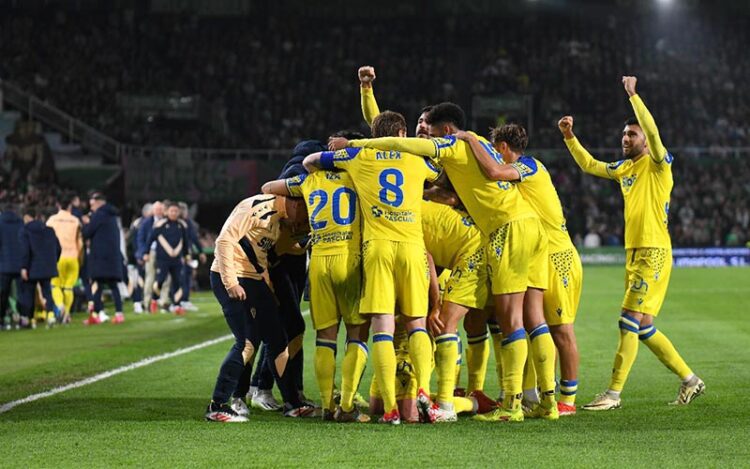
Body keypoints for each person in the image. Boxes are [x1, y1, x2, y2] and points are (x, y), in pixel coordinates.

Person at [330, 102, 553, 423]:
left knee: (478, 321)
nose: (427, 138)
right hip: (526, 228)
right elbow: (391, 136)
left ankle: (473, 404)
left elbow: (397, 143)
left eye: (430, 132)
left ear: (445, 131)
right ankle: (545, 399)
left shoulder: (452, 145)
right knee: (521, 319)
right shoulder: (475, 151)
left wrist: (354, 144)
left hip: (499, 233)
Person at [560, 76, 704, 410]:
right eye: (625, 133)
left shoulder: (658, 164)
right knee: (644, 327)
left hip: (653, 251)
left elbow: (653, 133)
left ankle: (613, 393)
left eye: (632, 133)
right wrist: (569, 137)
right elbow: (590, 165)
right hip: (634, 252)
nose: (626, 138)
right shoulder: (625, 168)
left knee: (627, 320)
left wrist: (633, 96)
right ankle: (690, 380)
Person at [305, 111, 442, 425]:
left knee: (382, 325)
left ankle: (390, 410)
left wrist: (344, 153)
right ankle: (423, 390)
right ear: (402, 133)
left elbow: (310, 160)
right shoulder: (415, 159)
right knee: (416, 323)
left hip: (376, 247)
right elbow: (439, 174)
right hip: (411, 246)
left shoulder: (358, 156)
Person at [458, 124, 583, 416]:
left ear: (502, 147)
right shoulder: (517, 177)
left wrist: (469, 139)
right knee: (533, 326)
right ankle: (535, 397)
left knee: (561, 331)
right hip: (536, 252)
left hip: (558, 255)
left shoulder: (528, 165)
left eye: (493, 148)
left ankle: (566, 400)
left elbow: (494, 172)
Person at [262, 156, 370, 423]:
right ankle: (346, 406)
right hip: (349, 258)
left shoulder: (309, 180)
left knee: (325, 337)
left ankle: (325, 404)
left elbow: (267, 188)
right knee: (357, 334)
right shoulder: (357, 177)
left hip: (319, 262)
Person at [205, 193, 313, 422]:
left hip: (254, 279)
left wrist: (269, 289)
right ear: (295, 202)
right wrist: (231, 282)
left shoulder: (279, 220)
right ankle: (218, 405)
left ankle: (292, 403)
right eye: (305, 211)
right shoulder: (255, 206)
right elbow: (224, 240)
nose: (304, 219)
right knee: (247, 341)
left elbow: (260, 255)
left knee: (278, 339)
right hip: (232, 276)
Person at [82, 192, 124, 325]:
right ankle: (118, 314)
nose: (91, 207)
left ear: (99, 202)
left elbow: (87, 232)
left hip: (100, 257)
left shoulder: (99, 215)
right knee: (112, 285)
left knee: (97, 285)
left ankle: (96, 314)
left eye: (92, 204)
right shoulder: (112, 216)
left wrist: (86, 223)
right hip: (112, 256)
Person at [18, 206, 61, 328]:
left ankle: (30, 319)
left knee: (29, 293)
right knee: (48, 292)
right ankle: (51, 316)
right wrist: (53, 261)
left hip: (32, 267)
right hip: (48, 266)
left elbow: (25, 251)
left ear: (26, 217)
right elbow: (58, 248)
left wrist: (24, 267)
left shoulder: (25, 231)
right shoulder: (49, 230)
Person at [145, 202, 189, 315]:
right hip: (162, 259)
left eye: (176, 211)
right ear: (166, 212)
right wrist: (146, 252)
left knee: (177, 282)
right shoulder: (160, 225)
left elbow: (185, 242)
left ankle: (177, 305)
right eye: (171, 211)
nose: (174, 213)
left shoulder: (181, 225)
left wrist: (186, 255)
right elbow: (150, 239)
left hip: (176, 260)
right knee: (160, 280)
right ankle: (154, 301)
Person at [47, 192, 83, 324]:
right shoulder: (75, 221)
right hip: (72, 257)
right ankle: (66, 314)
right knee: (68, 287)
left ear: (58, 205)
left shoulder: (51, 220)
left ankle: (60, 306)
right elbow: (80, 242)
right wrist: (80, 257)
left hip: (57, 257)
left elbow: (47, 239)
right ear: (70, 206)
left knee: (54, 285)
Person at [137, 201, 165, 312]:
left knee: (165, 278)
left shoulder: (166, 221)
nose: (159, 211)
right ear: (153, 210)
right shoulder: (146, 222)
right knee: (150, 277)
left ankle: (163, 302)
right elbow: (141, 239)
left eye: (160, 209)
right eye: (157, 209)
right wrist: (144, 253)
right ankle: (146, 302)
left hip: (164, 252)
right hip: (151, 252)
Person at [178, 202, 206, 312]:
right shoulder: (178, 223)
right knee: (180, 277)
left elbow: (194, 238)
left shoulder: (188, 223)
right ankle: (178, 301)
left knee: (186, 275)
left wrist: (201, 252)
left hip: (186, 253)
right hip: (176, 254)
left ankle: (183, 300)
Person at [0, 203, 24, 329]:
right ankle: (23, 318)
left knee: (4, 294)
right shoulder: (20, 222)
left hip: (4, 265)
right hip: (20, 264)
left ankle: (2, 319)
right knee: (21, 293)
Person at [128, 203, 152, 314]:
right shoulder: (138, 223)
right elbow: (133, 242)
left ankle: (146, 302)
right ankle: (137, 302)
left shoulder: (149, 222)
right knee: (139, 280)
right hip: (140, 256)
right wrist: (139, 255)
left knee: (148, 280)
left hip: (147, 255)